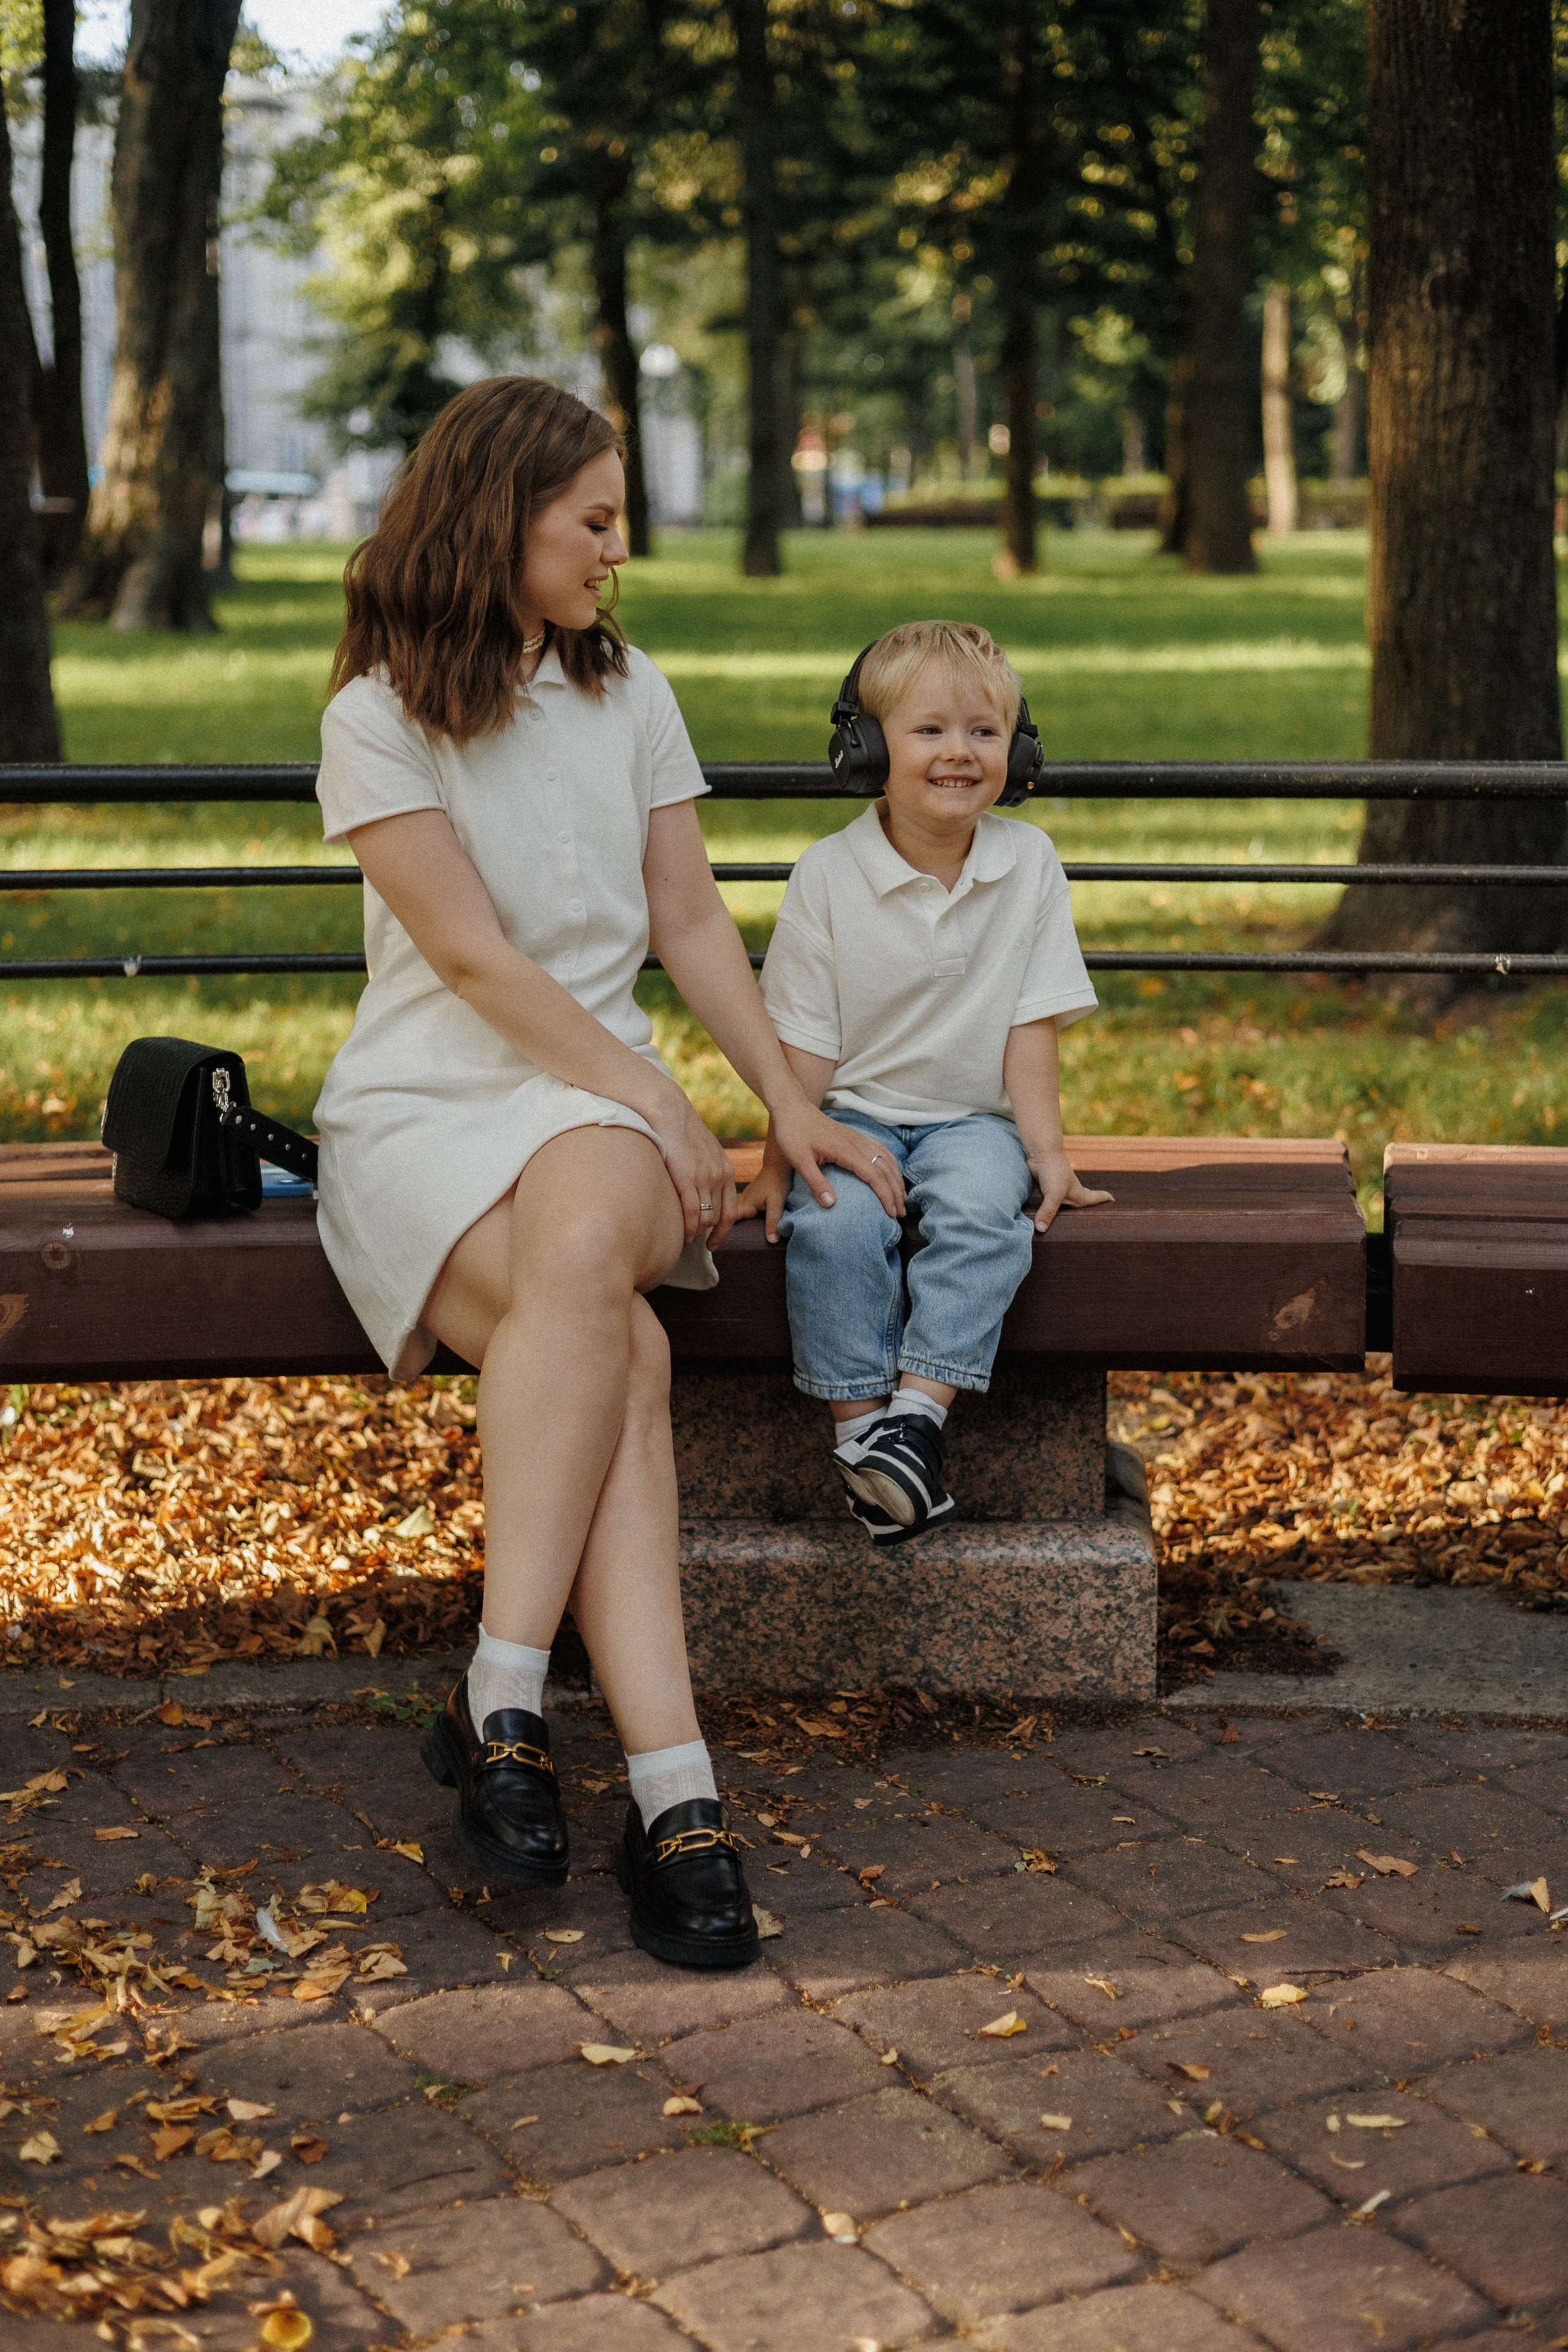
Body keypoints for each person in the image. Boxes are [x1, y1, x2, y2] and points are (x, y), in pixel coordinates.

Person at [311, 375, 899, 1970]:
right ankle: (675, 1791)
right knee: (617, 1345)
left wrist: (777, 1101)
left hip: (594, 1123)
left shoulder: (626, 687)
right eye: (593, 521)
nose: (617, 551)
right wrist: (651, 1086)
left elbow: (693, 920)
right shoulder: (377, 716)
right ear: (499, 518)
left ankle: (501, 1693)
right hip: (429, 1107)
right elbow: (472, 959)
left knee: (586, 1231)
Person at [738, 620, 1112, 1541]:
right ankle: (867, 1444)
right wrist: (783, 1156)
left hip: (972, 1120)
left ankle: (917, 1421)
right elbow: (806, 1053)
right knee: (837, 1222)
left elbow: (1030, 1028)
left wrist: (1047, 1154)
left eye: (985, 732)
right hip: (848, 1116)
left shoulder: (1028, 865)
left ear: (1017, 750)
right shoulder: (827, 876)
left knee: (989, 1208)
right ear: (866, 749)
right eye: (929, 731)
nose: (960, 753)